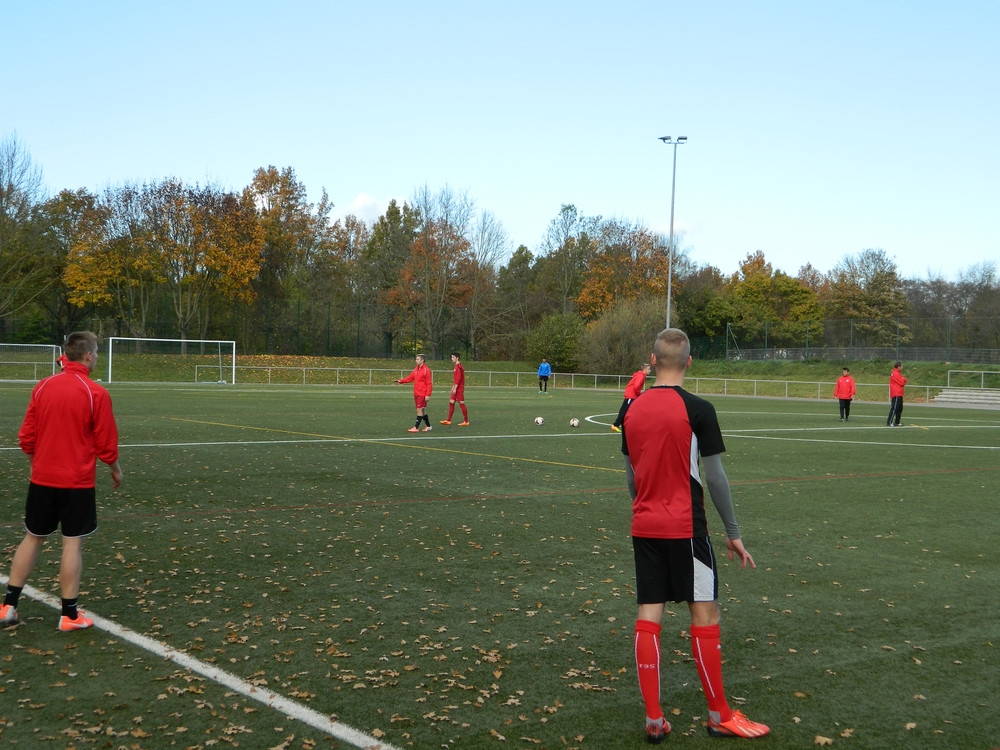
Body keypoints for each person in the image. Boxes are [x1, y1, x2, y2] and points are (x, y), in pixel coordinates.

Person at [622, 328, 769, 743]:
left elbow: (631, 477)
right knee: (705, 613)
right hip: (686, 528)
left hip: (645, 527)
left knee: (649, 613)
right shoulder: (699, 409)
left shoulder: (631, 408)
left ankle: (654, 719)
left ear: (653, 361)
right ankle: (719, 715)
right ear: (689, 362)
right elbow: (716, 478)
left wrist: (646, 507)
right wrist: (733, 532)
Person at [1, 332, 123, 631]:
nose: (97, 357)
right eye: (97, 353)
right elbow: (106, 442)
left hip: (42, 480)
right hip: (76, 484)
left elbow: (26, 436)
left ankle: (7, 606)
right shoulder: (95, 393)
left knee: (32, 538)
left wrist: (36, 466)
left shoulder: (43, 386)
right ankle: (69, 615)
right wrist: (116, 469)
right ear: (88, 356)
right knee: (72, 544)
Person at [397, 354, 433, 432]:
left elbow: (429, 383)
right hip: (416, 393)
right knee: (423, 410)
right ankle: (428, 426)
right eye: (416, 359)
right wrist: (401, 381)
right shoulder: (416, 369)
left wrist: (428, 395)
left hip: (422, 393)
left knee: (419, 410)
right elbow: (410, 378)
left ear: (422, 360)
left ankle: (416, 427)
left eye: (417, 359)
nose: (416, 361)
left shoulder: (426, 370)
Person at [611, 363, 651, 433]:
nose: (650, 370)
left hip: (632, 395)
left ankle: (625, 424)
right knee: (625, 410)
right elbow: (636, 386)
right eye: (649, 369)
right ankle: (615, 425)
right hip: (631, 395)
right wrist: (639, 394)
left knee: (629, 410)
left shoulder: (640, 375)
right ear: (644, 369)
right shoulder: (641, 376)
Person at [440, 352, 470, 426]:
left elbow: (458, 379)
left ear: (457, 358)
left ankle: (466, 421)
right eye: (452, 357)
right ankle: (448, 420)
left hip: (459, 388)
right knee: (451, 402)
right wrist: (453, 387)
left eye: (453, 357)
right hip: (456, 387)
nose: (452, 359)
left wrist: (455, 388)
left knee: (461, 403)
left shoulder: (458, 366)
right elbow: (456, 379)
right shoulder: (456, 366)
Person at [886, 361, 906, 427]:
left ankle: (897, 422)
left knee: (900, 408)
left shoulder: (898, 373)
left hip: (899, 393)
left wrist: (903, 379)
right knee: (894, 408)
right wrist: (903, 379)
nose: (902, 367)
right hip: (896, 393)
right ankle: (889, 422)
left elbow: (903, 380)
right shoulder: (895, 374)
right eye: (901, 366)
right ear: (898, 367)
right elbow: (902, 382)